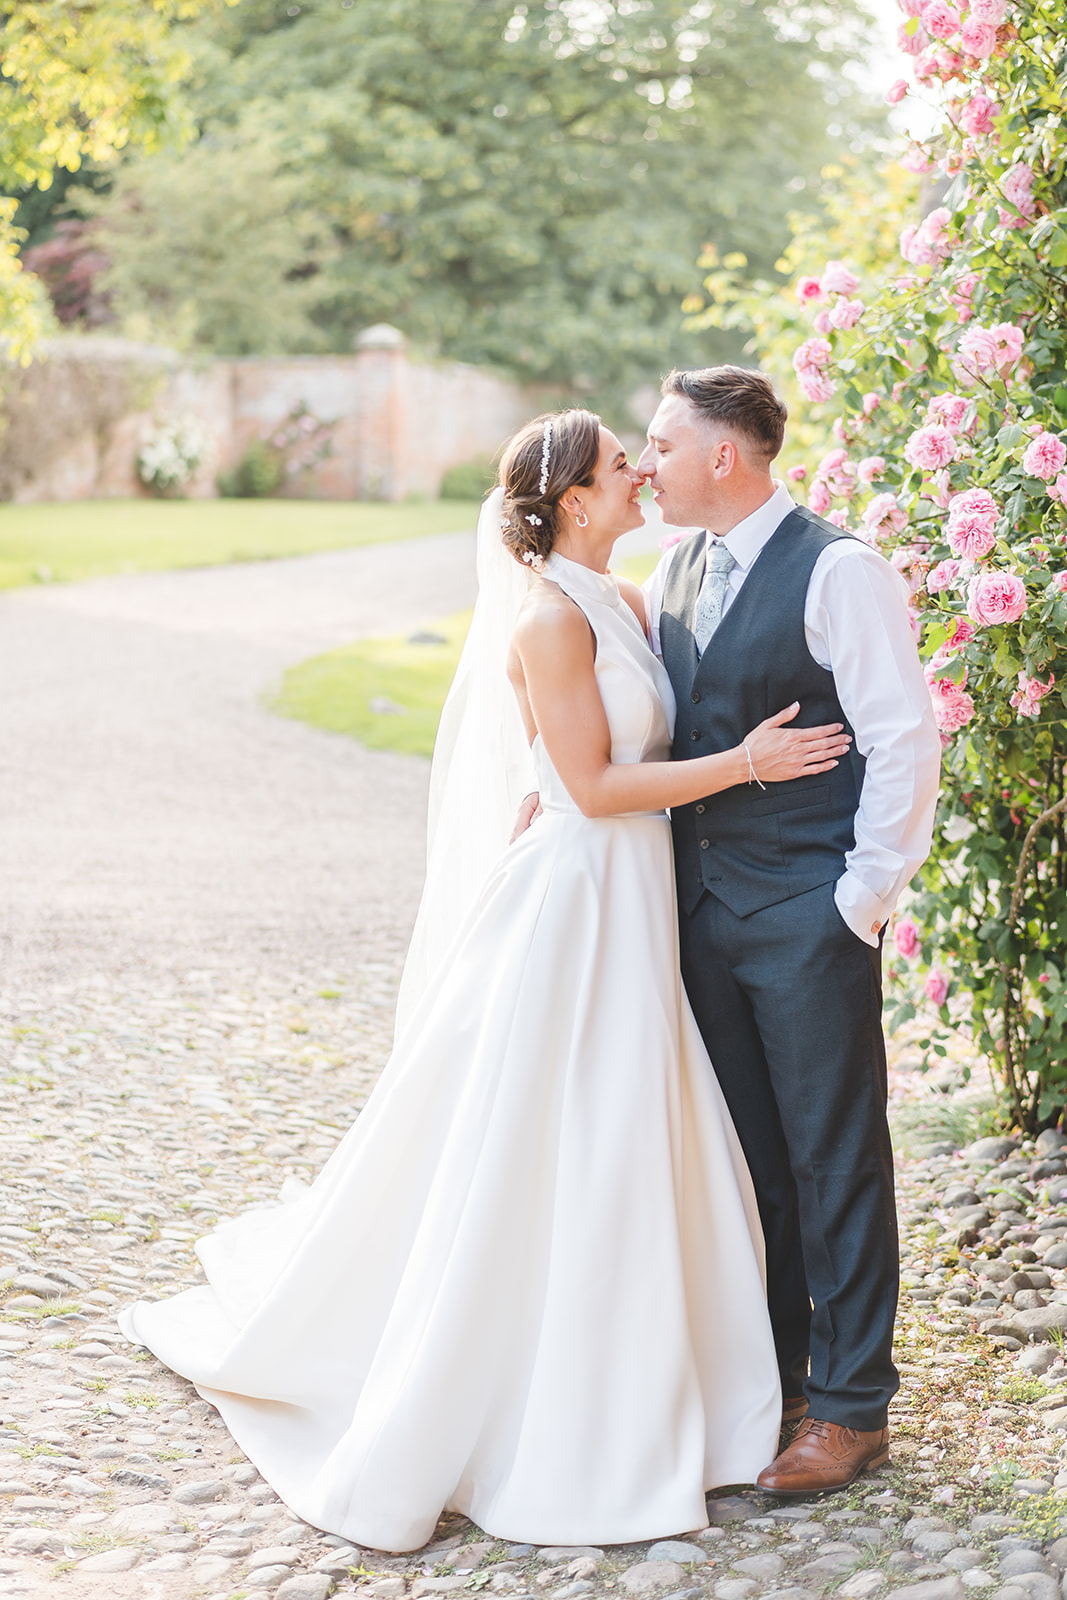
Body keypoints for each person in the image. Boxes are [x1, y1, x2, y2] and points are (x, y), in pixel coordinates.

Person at [119, 408, 854, 1551]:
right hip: (581, 901)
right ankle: (547, 1400)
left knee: (643, 1127)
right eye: (622, 467)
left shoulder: (627, 597)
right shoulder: (549, 618)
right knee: (565, 1130)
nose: (641, 476)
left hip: (639, 898)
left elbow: (615, 748)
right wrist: (748, 763)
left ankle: (685, 1378)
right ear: (571, 500)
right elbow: (599, 787)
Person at [637, 366, 941, 1493]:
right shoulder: (671, 569)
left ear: (724, 453)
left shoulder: (838, 570)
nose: (645, 461)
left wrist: (856, 899)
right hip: (699, 911)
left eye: (661, 443)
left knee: (833, 1154)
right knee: (746, 1163)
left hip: (806, 913)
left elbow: (902, 739)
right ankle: (783, 1382)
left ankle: (854, 1405)